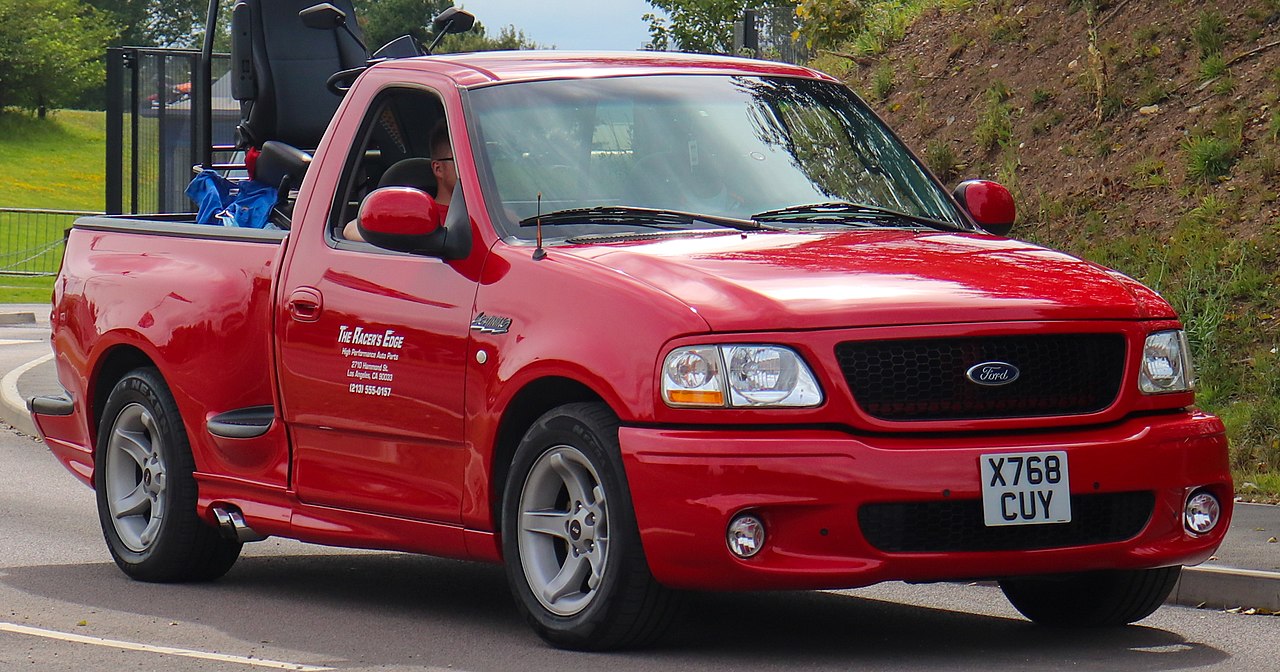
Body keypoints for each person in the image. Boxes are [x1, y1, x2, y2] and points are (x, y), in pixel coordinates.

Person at [343, 120, 456, 241]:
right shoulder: (420, 215)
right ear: (438, 168)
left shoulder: (478, 212)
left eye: (479, 155)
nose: (474, 165)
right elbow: (351, 229)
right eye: (459, 159)